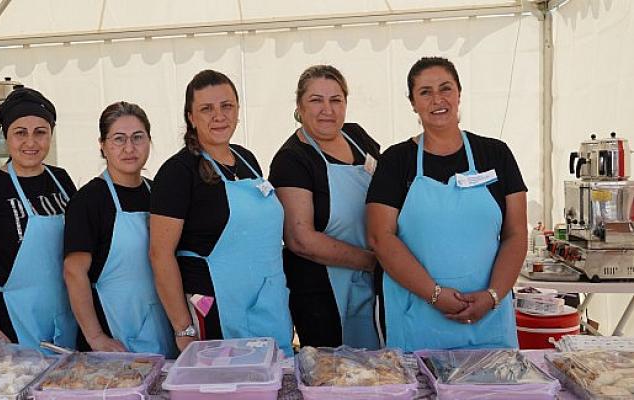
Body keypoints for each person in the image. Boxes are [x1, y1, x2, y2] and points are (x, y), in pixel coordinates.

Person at [366, 56, 527, 351]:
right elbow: (380, 236)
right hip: (417, 314)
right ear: (413, 102)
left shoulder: (496, 154)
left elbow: (516, 233)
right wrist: (434, 294)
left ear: (459, 93)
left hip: (489, 313)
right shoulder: (396, 160)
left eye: (445, 88)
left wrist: (492, 296)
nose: (437, 99)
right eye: (425, 92)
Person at [149, 69, 293, 357]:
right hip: (214, 312)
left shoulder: (246, 159)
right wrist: (183, 328)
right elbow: (159, 254)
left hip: (268, 305)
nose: (219, 116)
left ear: (238, 110)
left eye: (227, 106)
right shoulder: (178, 172)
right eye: (206, 109)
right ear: (191, 117)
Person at [269, 65, 381, 349]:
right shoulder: (291, 160)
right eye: (316, 100)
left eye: (336, 100)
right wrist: (372, 262)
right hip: (321, 290)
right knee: (334, 372)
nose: (327, 110)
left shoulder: (357, 137)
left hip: (370, 280)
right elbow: (300, 239)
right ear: (299, 107)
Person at [0, 87, 78, 351]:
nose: (31, 142)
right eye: (20, 133)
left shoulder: (60, 179)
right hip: (13, 320)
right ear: (6, 136)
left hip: (65, 312)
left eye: (40, 132)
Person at [64, 102, 175, 357]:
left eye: (138, 138)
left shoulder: (159, 193)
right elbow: (74, 271)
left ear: (149, 140)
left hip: (162, 324)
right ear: (102, 145)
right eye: (118, 139)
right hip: (113, 336)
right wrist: (96, 336)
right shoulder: (89, 201)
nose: (129, 148)